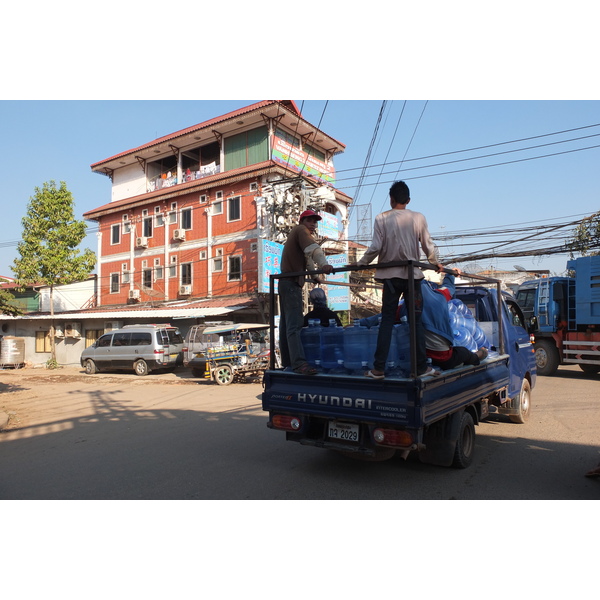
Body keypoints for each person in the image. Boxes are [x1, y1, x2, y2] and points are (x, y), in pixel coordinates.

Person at [356, 181, 442, 379]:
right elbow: (428, 245)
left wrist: (362, 262)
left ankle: (379, 368)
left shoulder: (381, 218)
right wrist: (435, 262)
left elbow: (376, 247)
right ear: (408, 200)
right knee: (416, 322)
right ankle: (420, 368)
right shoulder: (418, 217)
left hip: (390, 277)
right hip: (412, 277)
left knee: (386, 321)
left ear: (391, 199)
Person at [279, 210, 334, 375]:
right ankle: (299, 364)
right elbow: (314, 250)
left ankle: (289, 362)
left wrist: (315, 277)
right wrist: (324, 264)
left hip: (287, 283)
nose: (313, 225)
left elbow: (308, 260)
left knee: (287, 326)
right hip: (290, 283)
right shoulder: (300, 230)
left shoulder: (298, 235)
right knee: (295, 325)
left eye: (314, 222)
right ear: (303, 221)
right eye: (310, 221)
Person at [421, 271, 488, 370]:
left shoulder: (405, 305)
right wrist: (450, 274)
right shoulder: (439, 297)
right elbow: (449, 288)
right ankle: (479, 355)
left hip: (418, 355)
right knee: (463, 352)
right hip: (441, 356)